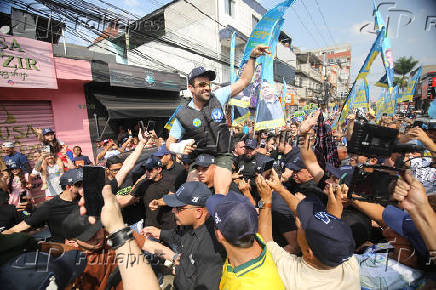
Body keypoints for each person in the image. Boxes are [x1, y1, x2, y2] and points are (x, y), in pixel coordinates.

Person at [166, 45, 270, 195]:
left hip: (222, 155)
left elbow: (244, 81)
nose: (207, 88)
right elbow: (169, 142)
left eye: (208, 84)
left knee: (221, 193)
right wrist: (178, 147)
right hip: (199, 158)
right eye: (201, 84)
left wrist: (252, 57)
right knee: (192, 194)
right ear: (190, 88)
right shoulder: (182, 114)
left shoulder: (218, 96)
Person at [256, 172, 360, 290]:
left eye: (303, 226)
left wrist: (265, 199)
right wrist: (280, 189)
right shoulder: (349, 264)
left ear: (308, 252)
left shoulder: (292, 276)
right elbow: (332, 232)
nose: (299, 222)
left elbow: (265, 240)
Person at [142, 181, 226, 290]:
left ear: (198, 212)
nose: (173, 211)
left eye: (179, 208)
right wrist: (160, 233)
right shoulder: (191, 226)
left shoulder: (211, 246)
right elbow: (181, 237)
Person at [78, 184, 160, 290]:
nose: (95, 238)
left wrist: (174, 257)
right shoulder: (70, 263)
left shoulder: (113, 234)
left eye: (96, 232)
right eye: (88, 237)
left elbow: (147, 244)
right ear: (73, 241)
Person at [205, 191, 285, 289]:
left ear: (219, 234)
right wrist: (265, 199)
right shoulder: (257, 239)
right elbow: (265, 221)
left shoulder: (247, 286)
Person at [3, 168, 83, 242]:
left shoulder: (87, 200)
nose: (85, 187)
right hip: (69, 252)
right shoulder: (49, 207)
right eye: (80, 184)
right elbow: (18, 228)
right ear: (68, 187)